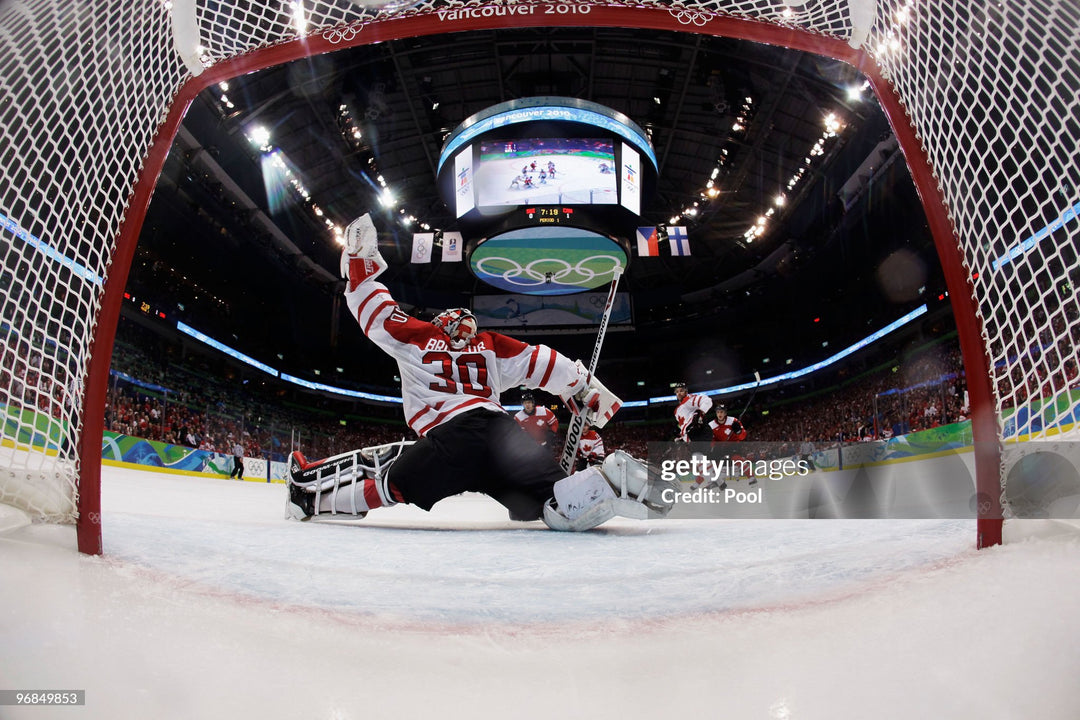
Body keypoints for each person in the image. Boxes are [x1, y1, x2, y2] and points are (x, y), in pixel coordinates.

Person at [286, 214, 676, 531]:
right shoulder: (489, 343)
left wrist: (360, 266)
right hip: (504, 437)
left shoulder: (418, 334)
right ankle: (610, 483)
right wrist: (582, 386)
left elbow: (372, 312)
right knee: (552, 502)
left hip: (455, 436)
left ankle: (309, 498)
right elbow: (541, 362)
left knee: (393, 484)